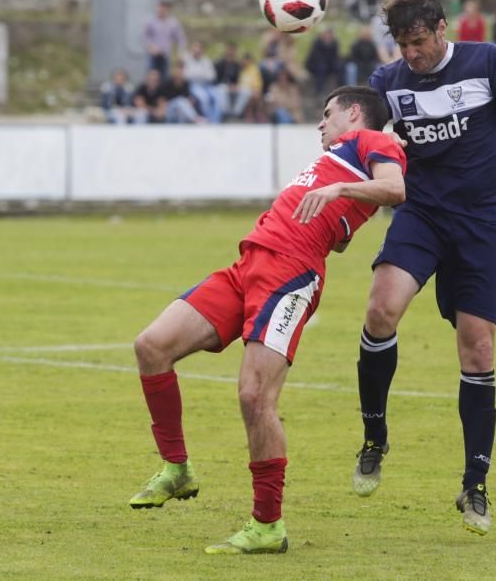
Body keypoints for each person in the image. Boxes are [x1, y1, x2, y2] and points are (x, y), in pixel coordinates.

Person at [127, 86, 407, 554]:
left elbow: (396, 187)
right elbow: (338, 234)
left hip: (287, 275)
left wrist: (339, 190)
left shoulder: (372, 142)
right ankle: (177, 469)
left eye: (327, 112)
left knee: (255, 397)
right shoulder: (339, 156)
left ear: (355, 112)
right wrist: (338, 208)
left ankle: (267, 525)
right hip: (247, 266)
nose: (320, 123)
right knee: (151, 346)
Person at [352, 0, 496, 536]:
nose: (411, 54)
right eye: (402, 45)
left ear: (441, 29)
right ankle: (374, 437)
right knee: (381, 309)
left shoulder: (485, 60)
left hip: (482, 222)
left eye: (418, 42)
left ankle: (474, 485)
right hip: (420, 215)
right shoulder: (386, 81)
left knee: (477, 344)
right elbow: (363, 151)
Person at [143, 0, 186, 78]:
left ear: (168, 9)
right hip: (153, 55)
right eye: (160, 7)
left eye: (164, 8)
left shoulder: (173, 22)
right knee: (151, 78)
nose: (161, 10)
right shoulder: (151, 21)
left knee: (164, 79)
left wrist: (180, 52)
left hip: (165, 55)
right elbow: (145, 36)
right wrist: (151, 47)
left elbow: (181, 38)